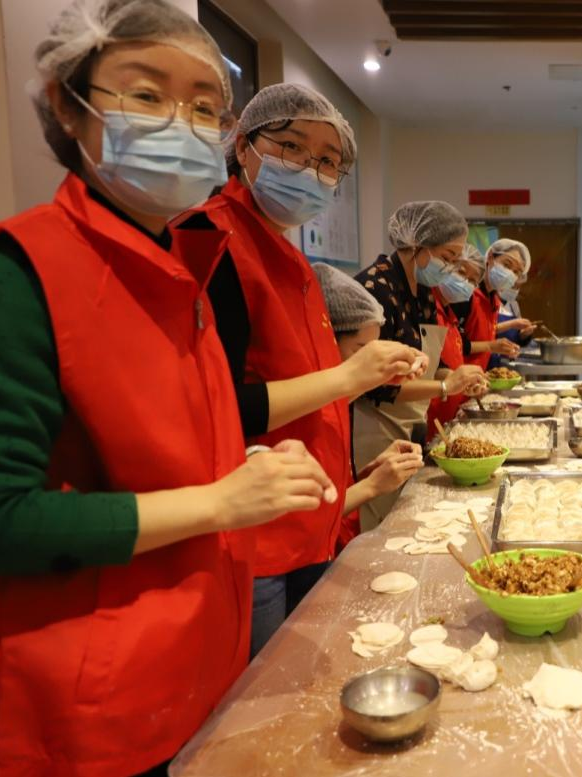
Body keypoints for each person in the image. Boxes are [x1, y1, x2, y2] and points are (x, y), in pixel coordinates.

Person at [0, 1, 336, 774]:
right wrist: (219, 501)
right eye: (145, 95)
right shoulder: (18, 274)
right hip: (86, 712)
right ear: (67, 106)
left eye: (205, 108)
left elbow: (167, 453)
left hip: (191, 667)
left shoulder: (182, 271)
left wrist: (249, 470)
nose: (181, 123)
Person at [186, 82, 423, 656]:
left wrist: (354, 470)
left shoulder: (291, 258)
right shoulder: (209, 239)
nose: (310, 170)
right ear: (242, 146)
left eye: (327, 161)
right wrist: (352, 377)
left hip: (311, 521)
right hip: (258, 536)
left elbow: (303, 389)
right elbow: (219, 409)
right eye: (291, 147)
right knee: (265, 691)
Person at [353, 202, 488, 525]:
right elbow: (375, 385)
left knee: (405, 516)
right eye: (447, 257)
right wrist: (444, 386)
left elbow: (428, 363)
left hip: (410, 421)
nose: (450, 267)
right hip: (375, 425)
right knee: (381, 522)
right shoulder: (375, 289)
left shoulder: (423, 290)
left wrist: (455, 376)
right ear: (418, 245)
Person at [312, 263, 424, 552]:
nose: (368, 361)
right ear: (325, 339)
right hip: (310, 553)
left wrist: (372, 469)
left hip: (335, 540)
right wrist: (372, 485)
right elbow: (308, 517)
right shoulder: (302, 410)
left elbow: (334, 487)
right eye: (361, 350)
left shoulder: (335, 402)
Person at [427, 245, 484, 436]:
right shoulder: (427, 310)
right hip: (429, 418)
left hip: (447, 418)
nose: (465, 283)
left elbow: (444, 365)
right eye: (461, 272)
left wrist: (464, 382)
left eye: (473, 281)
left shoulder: (450, 315)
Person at [464, 238, 536, 368]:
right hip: (459, 373)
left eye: (516, 272)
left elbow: (485, 332)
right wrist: (491, 346)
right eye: (507, 265)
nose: (510, 274)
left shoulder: (493, 301)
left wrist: (504, 346)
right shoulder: (468, 293)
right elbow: (455, 343)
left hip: (479, 374)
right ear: (490, 257)